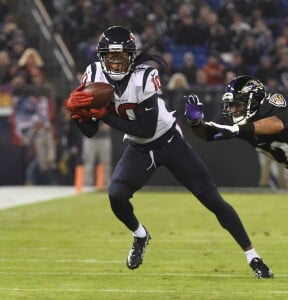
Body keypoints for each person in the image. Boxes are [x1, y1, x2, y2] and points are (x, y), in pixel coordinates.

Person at [65, 26, 273, 278]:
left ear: (132, 56)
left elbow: (146, 127)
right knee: (116, 194)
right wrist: (77, 114)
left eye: (121, 58)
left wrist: (104, 114)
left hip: (168, 141)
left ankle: (253, 257)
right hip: (139, 148)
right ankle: (140, 235)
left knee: (212, 200)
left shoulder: (144, 75)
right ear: (102, 57)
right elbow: (89, 131)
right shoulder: (93, 74)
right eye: (111, 58)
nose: (117, 64)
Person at [184, 75, 288, 179]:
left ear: (254, 101)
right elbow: (208, 134)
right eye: (231, 105)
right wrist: (196, 123)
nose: (233, 110)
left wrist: (238, 129)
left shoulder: (270, 105)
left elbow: (278, 124)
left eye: (238, 105)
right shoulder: (242, 123)